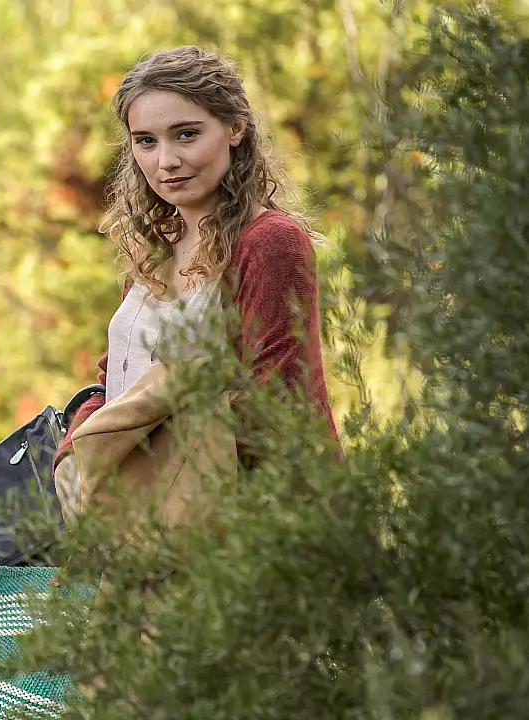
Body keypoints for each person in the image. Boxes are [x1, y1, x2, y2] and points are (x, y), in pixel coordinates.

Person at [54, 46, 340, 513]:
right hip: (146, 516)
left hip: (251, 525)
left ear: (235, 128)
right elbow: (115, 383)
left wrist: (148, 416)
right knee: (22, 583)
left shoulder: (269, 241)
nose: (166, 160)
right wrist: (74, 449)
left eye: (185, 135)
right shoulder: (157, 247)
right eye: (145, 140)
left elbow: (279, 404)